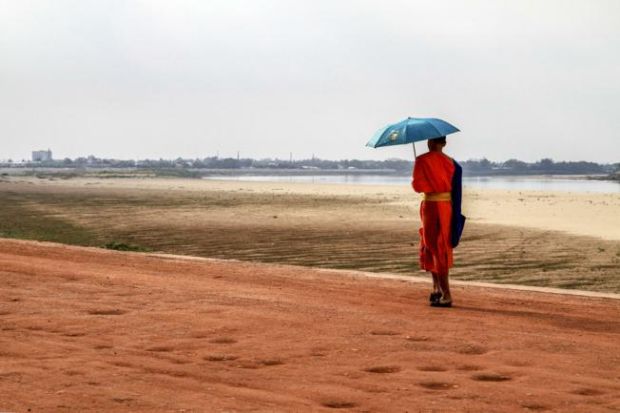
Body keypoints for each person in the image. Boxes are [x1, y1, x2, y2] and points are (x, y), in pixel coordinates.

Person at [412, 136, 464, 307]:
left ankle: (444, 293)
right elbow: (457, 193)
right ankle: (437, 289)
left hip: (429, 206)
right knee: (440, 247)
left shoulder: (422, 160)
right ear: (444, 143)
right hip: (446, 207)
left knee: (431, 246)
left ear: (430, 142)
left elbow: (417, 187)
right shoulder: (453, 163)